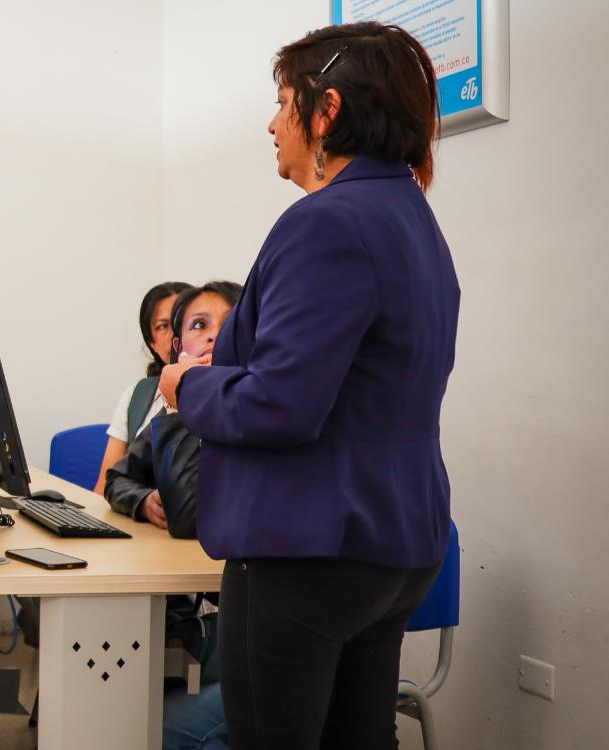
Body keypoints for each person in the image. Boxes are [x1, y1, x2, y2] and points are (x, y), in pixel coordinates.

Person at [161, 22, 458, 749]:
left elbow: (279, 404)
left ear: (325, 112)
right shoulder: (413, 219)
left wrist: (186, 389)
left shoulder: (326, 223)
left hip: (307, 549)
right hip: (393, 544)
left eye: (282, 103)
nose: (271, 123)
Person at [106, 281, 244, 750]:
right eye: (199, 326)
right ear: (176, 346)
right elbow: (117, 479)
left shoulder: (246, 410)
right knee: (124, 701)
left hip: (247, 625)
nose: (211, 337)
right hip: (217, 617)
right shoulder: (178, 410)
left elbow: (186, 516)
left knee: (143, 728)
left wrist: (185, 398)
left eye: (226, 326)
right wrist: (143, 501)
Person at [93, 281, 195, 494]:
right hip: (132, 521)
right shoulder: (135, 396)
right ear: (152, 343)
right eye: (163, 326)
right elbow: (104, 488)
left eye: (184, 321)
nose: (175, 333)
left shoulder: (224, 396)